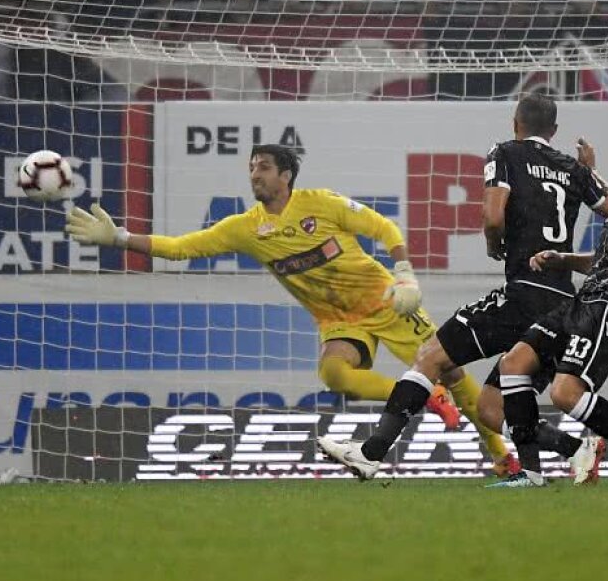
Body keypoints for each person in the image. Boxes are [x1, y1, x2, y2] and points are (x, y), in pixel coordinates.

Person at [65, 144, 510, 466]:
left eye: (263, 167)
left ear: (285, 176)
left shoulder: (322, 204)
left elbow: (383, 227)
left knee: (452, 372)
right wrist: (119, 238)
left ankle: (502, 457)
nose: (254, 174)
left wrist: (405, 272)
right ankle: (424, 395)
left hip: (384, 301)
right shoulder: (245, 228)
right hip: (337, 319)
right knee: (335, 374)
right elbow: (182, 247)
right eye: (251, 168)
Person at [316, 94, 608, 480]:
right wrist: (591, 173)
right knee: (493, 410)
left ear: (516, 123)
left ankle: (371, 451)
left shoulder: (505, 152)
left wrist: (495, 244)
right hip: (563, 304)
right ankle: (576, 449)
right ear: (554, 131)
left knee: (431, 357)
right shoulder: (573, 169)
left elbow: (493, 216)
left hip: (524, 293)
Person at [488, 117, 608, 488]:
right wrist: (564, 259)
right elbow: (607, 258)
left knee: (564, 392)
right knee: (514, 364)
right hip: (584, 298)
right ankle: (530, 475)